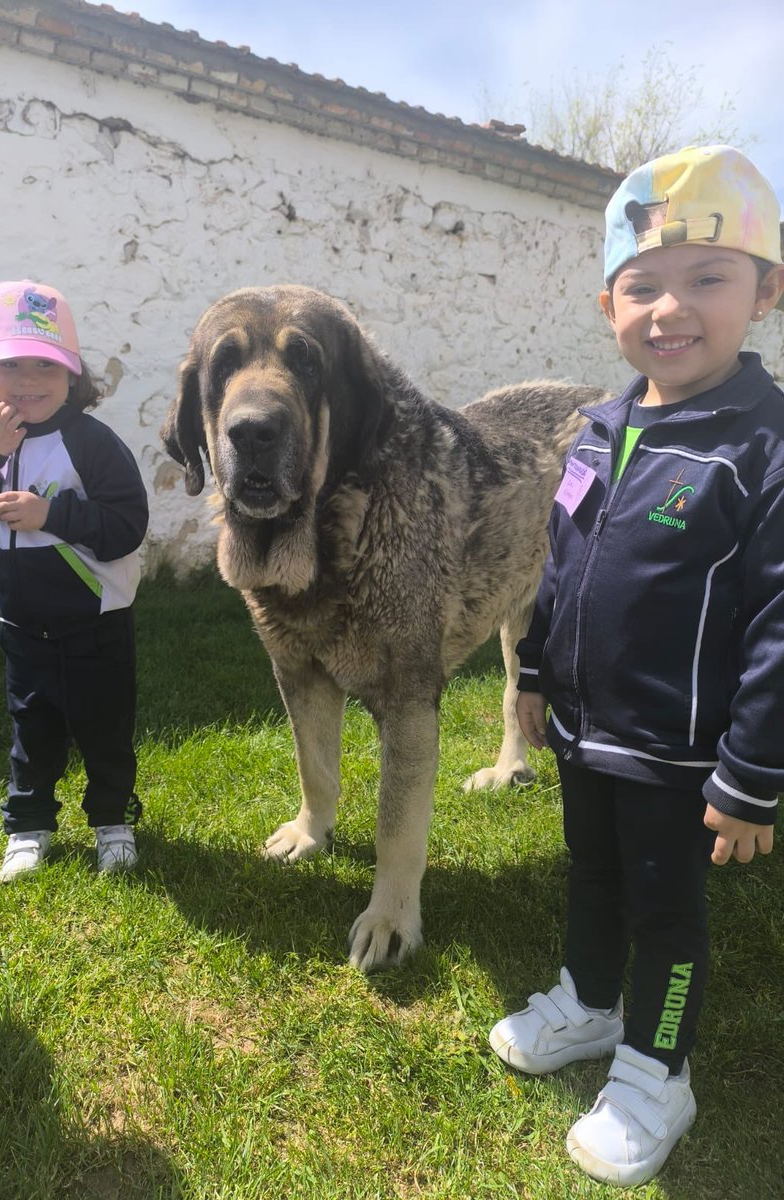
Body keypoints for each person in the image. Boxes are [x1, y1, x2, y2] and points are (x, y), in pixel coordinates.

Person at [488, 145, 784, 1187]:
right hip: (582, 732)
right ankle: (588, 997)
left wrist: (751, 779)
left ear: (767, 290)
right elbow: (561, 570)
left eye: (708, 278)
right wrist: (530, 680)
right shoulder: (598, 431)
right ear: (608, 303)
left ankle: (658, 1067)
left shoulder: (764, 447)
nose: (671, 309)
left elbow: (782, 629)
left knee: (666, 910)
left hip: (681, 758)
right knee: (593, 874)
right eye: (642, 286)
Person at [0, 279, 149, 882]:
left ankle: (113, 821)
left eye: (45, 366)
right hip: (22, 624)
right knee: (32, 732)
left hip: (96, 624)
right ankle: (27, 826)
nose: (27, 381)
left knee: (105, 730)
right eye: (10, 365)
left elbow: (126, 525)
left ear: (72, 376)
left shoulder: (93, 443)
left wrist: (50, 514)